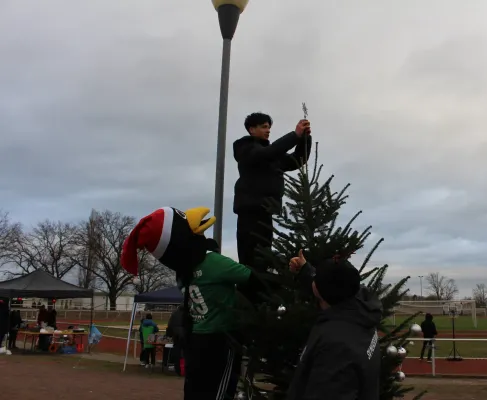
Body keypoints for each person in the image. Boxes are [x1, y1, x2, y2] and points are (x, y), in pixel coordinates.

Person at [120, 206, 267, 399]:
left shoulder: (183, 273)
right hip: (222, 337)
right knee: (221, 391)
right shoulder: (213, 262)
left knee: (194, 390)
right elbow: (254, 278)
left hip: (196, 338)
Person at [286, 250, 382, 400]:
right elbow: (335, 283)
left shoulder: (336, 346)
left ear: (320, 289)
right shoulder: (360, 309)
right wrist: (306, 269)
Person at [233, 113, 312, 274]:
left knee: (263, 256)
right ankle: (248, 292)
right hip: (250, 211)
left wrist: (304, 139)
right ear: (251, 129)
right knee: (250, 258)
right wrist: (294, 135)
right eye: (263, 126)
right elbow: (266, 154)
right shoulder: (244, 147)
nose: (268, 130)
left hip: (267, 211)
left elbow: (297, 160)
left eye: (269, 127)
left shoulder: (272, 154)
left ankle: (261, 289)